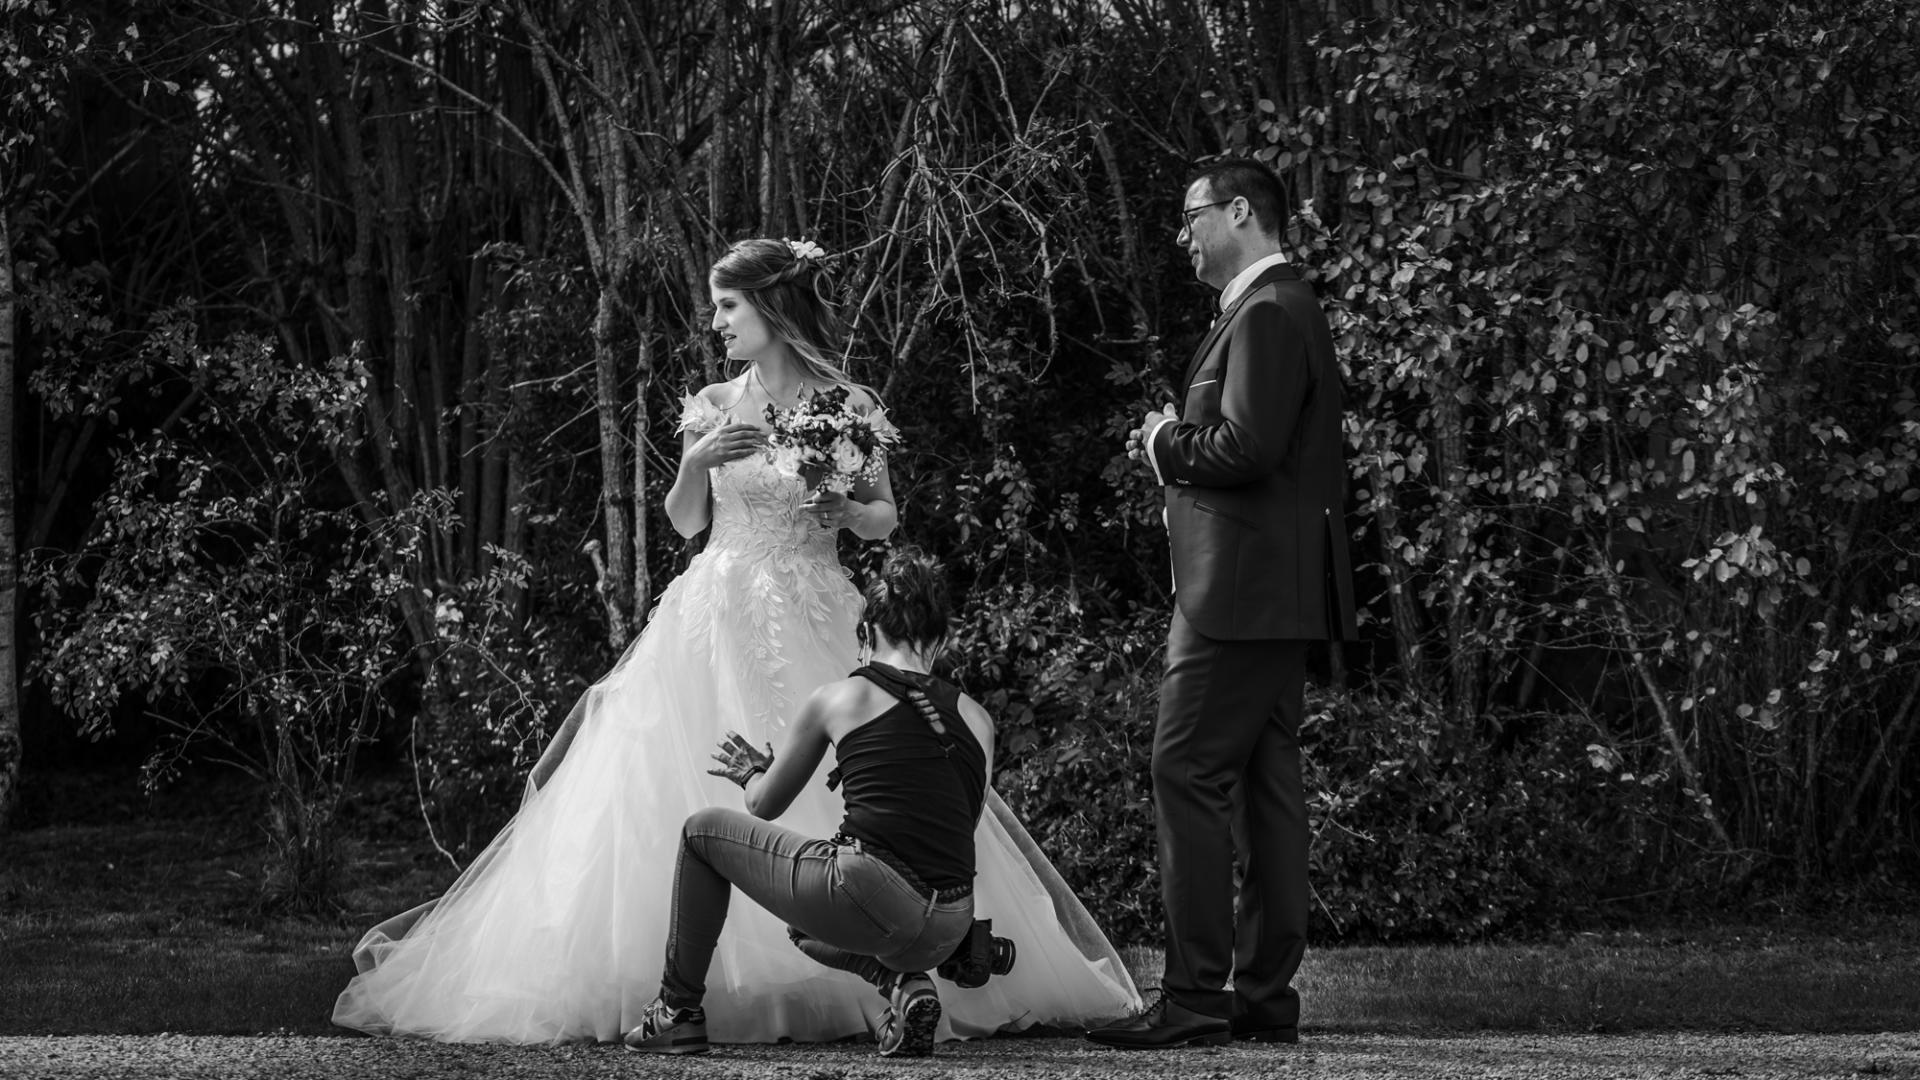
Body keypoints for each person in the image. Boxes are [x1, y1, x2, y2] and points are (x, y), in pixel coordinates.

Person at [332, 237, 1139, 1044]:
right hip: (713, 606)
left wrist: (848, 514)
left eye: (728, 307)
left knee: (844, 775)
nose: (716, 323)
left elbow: (886, 514)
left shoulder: (850, 405)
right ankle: (708, 974)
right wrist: (696, 459)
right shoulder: (714, 403)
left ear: (773, 308)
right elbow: (688, 522)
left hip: (816, 600)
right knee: (664, 776)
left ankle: (861, 949)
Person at [1087, 160, 1356, 1050]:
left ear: (1242, 212)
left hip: (1237, 594)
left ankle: (1198, 997)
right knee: (1265, 788)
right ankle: (1263, 1000)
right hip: (1266, 589)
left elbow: (1243, 445)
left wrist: (1166, 439)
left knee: (1186, 772)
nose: (1183, 235)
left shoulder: (1270, 310)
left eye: (1192, 216)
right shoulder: (1275, 307)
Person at [625, 547, 990, 1058]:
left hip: (871, 897)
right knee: (805, 918)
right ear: (941, 638)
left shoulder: (839, 698)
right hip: (952, 925)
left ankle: (675, 1011)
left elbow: (764, 805)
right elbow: (959, 824)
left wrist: (754, 771)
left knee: (700, 833)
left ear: (866, 634)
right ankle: (907, 987)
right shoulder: (977, 718)